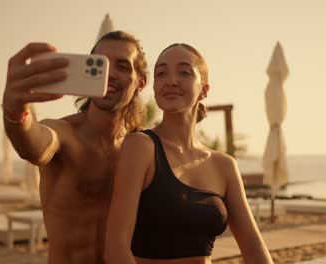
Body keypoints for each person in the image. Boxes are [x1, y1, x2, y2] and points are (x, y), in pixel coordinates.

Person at [105, 43, 273, 264]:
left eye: (184, 72)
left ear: (204, 90)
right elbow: (116, 247)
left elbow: (254, 249)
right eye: (162, 73)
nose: (171, 81)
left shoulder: (223, 165)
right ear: (155, 87)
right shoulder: (141, 146)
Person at [2, 31, 148, 264]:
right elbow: (33, 144)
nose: (109, 73)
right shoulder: (64, 133)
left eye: (122, 66)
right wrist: (15, 110)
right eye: (101, 63)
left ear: (140, 83)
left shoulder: (140, 149)